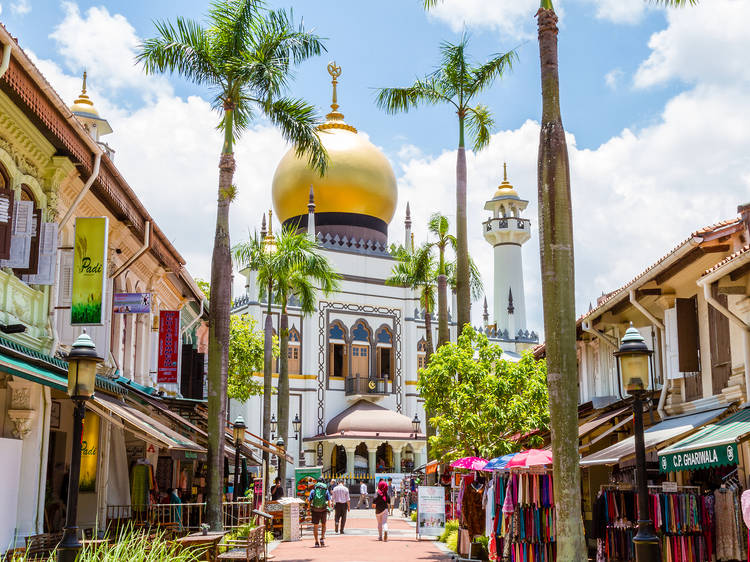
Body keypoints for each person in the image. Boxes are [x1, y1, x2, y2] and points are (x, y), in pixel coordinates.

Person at [308, 480, 331, 547]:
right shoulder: (325, 490)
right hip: (323, 509)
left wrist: (309, 510)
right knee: (323, 524)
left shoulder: (313, 490)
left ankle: (316, 542)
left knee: (315, 526)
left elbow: (309, 501)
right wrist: (329, 508)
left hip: (315, 510)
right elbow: (329, 500)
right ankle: (322, 538)